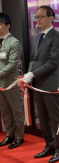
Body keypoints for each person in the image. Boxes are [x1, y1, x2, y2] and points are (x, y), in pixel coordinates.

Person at [23, 5, 59, 163]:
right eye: (37, 17)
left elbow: (53, 62)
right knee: (42, 118)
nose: (38, 20)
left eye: (41, 16)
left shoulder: (57, 37)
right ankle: (50, 145)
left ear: (51, 18)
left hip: (50, 83)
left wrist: (32, 74)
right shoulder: (37, 37)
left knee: (55, 119)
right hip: (37, 83)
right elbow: (34, 59)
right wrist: (28, 74)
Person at [0, 13, 25, 149]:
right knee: (4, 110)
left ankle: (19, 136)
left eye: (0, 24)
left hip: (10, 82)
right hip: (0, 84)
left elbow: (12, 64)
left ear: (7, 26)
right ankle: (10, 134)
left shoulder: (14, 42)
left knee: (16, 110)